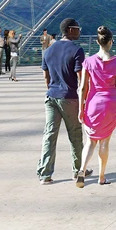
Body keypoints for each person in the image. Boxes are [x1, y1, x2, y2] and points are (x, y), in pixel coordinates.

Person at [37, 17, 90, 185]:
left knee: (49, 134)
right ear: (70, 30)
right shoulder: (77, 51)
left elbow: (46, 75)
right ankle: (78, 170)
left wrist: (51, 89)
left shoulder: (49, 50)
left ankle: (45, 174)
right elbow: (81, 80)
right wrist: (84, 101)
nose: (80, 31)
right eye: (78, 28)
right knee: (75, 134)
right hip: (69, 97)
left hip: (51, 96)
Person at [76, 25, 116, 187]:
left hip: (93, 104)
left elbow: (83, 87)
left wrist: (80, 109)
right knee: (105, 142)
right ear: (110, 42)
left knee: (90, 141)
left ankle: (82, 170)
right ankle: (101, 177)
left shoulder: (88, 62)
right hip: (111, 104)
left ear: (98, 42)